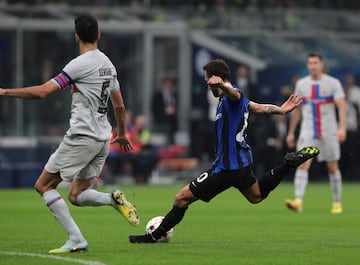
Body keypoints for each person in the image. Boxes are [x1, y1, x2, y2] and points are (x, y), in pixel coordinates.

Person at [128, 59, 319, 243]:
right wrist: (281, 110)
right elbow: (259, 108)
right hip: (241, 163)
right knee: (257, 195)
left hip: (227, 167)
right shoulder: (234, 100)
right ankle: (288, 164)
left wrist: (223, 85)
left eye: (208, 82)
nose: (207, 86)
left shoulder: (232, 96)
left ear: (217, 80)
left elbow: (234, 94)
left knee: (181, 198)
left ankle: (153, 236)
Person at [0, 14, 140, 253]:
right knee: (77, 195)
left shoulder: (78, 65)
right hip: (102, 140)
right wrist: (123, 133)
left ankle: (76, 239)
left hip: (82, 138)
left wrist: (5, 92)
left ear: (76, 36)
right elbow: (119, 105)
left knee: (43, 186)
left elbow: (44, 92)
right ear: (98, 34)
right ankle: (111, 199)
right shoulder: (108, 64)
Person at [285, 53, 346, 214]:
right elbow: (296, 110)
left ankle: (337, 203)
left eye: (316, 63)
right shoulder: (301, 84)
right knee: (303, 163)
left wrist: (342, 128)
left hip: (329, 130)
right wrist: (291, 132)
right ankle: (298, 201)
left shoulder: (333, 83)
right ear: (307, 65)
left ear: (321, 64)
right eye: (310, 63)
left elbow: (341, 106)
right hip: (308, 130)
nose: (313, 66)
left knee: (332, 167)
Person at [151, 77, 177, 145]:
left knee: (171, 136)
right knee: (161, 138)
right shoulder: (157, 95)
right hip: (161, 119)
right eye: (166, 84)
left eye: (169, 84)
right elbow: (154, 107)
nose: (168, 85)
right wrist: (164, 111)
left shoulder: (173, 94)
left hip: (171, 120)